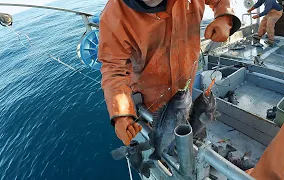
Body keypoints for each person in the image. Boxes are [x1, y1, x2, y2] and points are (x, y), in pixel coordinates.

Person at [98, 0, 240, 146]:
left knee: (188, 126)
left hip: (185, 90)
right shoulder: (114, 15)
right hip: (150, 100)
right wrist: (121, 113)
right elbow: (113, 67)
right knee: (160, 141)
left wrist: (225, 18)